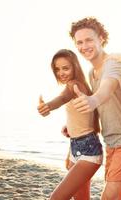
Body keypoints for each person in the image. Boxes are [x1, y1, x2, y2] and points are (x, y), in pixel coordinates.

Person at [69, 17, 121, 200]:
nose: (85, 46)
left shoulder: (113, 63)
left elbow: (106, 89)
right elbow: (101, 110)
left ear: (101, 39)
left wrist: (93, 100)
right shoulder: (92, 73)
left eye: (89, 40)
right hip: (111, 143)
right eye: (80, 42)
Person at [37, 49, 103, 200]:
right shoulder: (79, 86)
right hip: (76, 147)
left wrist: (48, 106)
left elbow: (61, 98)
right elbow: (83, 120)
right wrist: (70, 148)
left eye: (65, 68)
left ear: (75, 67)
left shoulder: (74, 85)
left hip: (89, 151)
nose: (61, 73)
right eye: (57, 69)